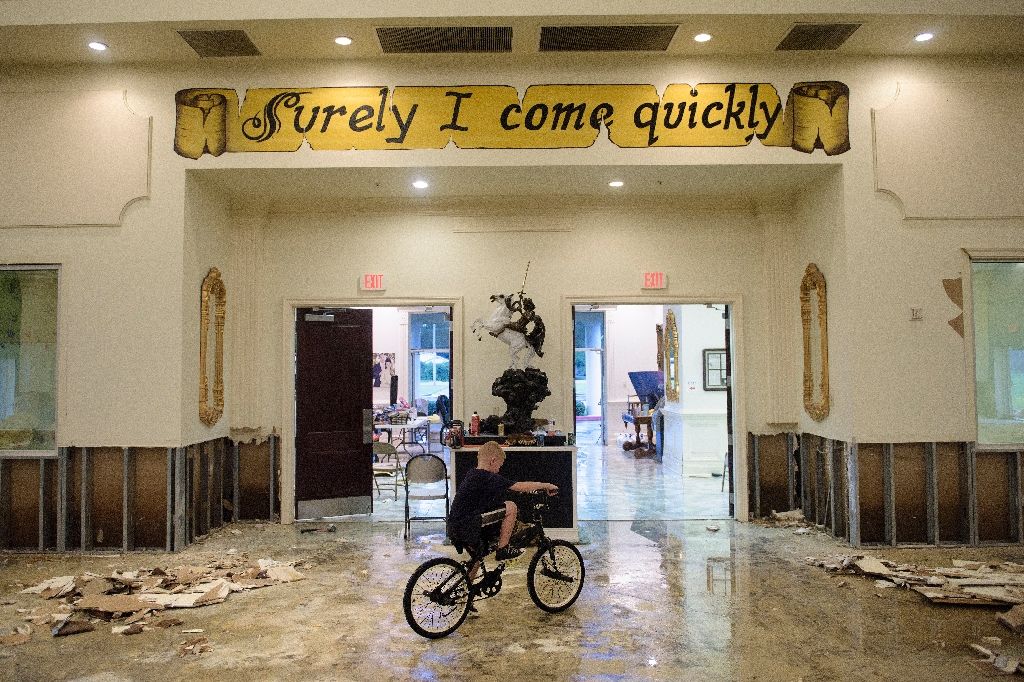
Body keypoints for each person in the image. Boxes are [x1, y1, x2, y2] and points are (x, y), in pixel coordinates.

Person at [447, 440, 557, 564]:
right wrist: (546, 485)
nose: (498, 470)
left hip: (455, 526)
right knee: (511, 507)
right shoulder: (486, 476)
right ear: (493, 460)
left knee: (478, 559)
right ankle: (503, 549)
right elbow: (520, 486)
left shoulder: (473, 474)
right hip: (468, 525)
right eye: (499, 465)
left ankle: (468, 583)